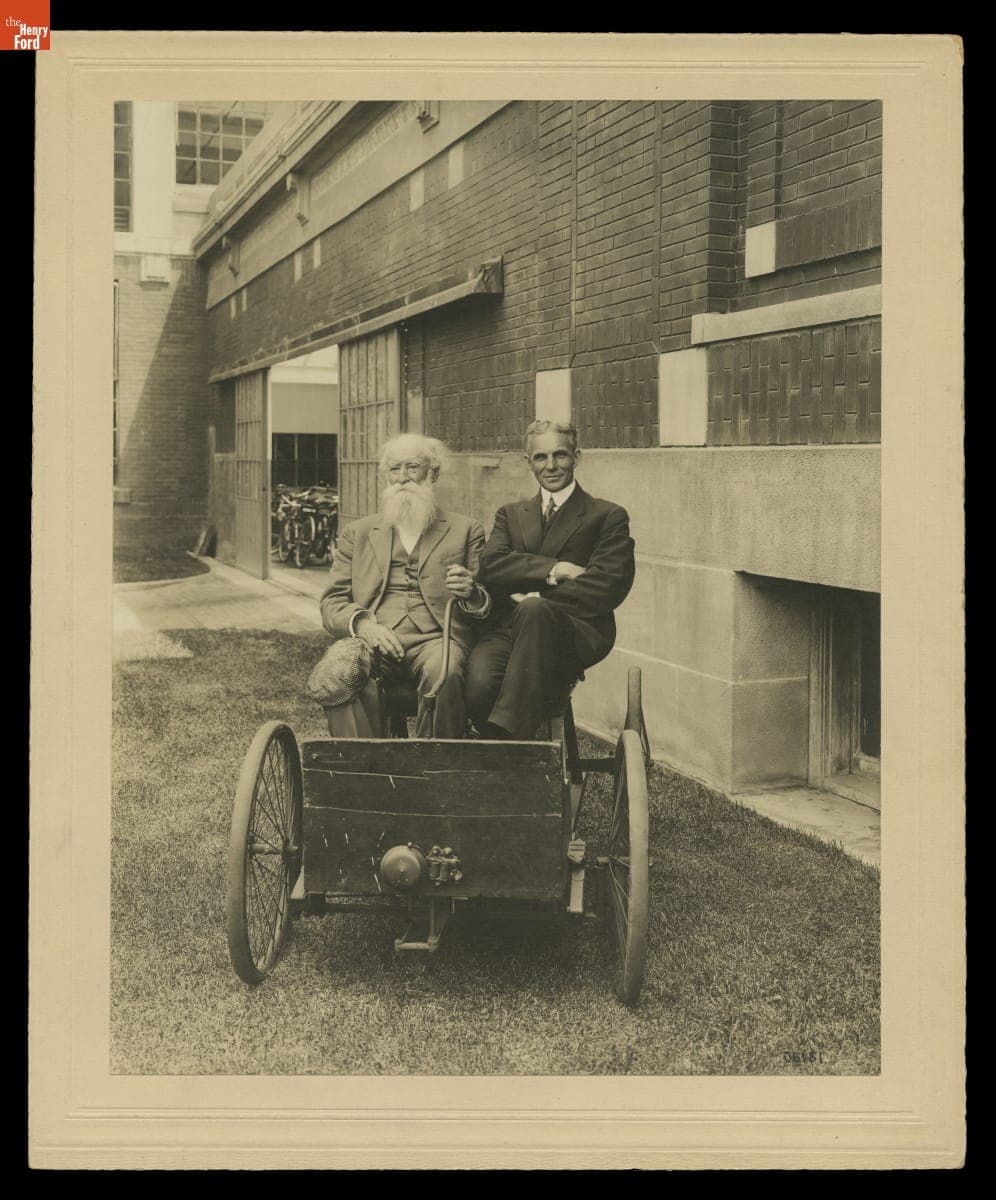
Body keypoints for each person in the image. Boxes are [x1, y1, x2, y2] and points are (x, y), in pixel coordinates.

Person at [465, 419, 635, 740]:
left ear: (577, 457)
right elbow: (490, 565)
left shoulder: (606, 516)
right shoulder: (511, 515)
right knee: (478, 683)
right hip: (511, 629)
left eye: (561, 455)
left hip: (574, 630)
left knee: (534, 611)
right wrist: (557, 570)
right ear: (527, 462)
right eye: (541, 458)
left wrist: (538, 599)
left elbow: (608, 584)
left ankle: (511, 743)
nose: (551, 466)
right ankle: (495, 743)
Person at [319, 434, 490, 738]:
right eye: (394, 469)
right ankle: (364, 767)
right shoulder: (357, 533)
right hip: (374, 639)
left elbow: (487, 602)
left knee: (445, 671)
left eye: (412, 468)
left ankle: (432, 770)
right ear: (385, 475)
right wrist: (364, 626)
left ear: (432, 473)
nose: (402, 479)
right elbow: (332, 603)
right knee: (339, 670)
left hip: (436, 639)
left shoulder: (466, 530)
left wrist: (472, 592)